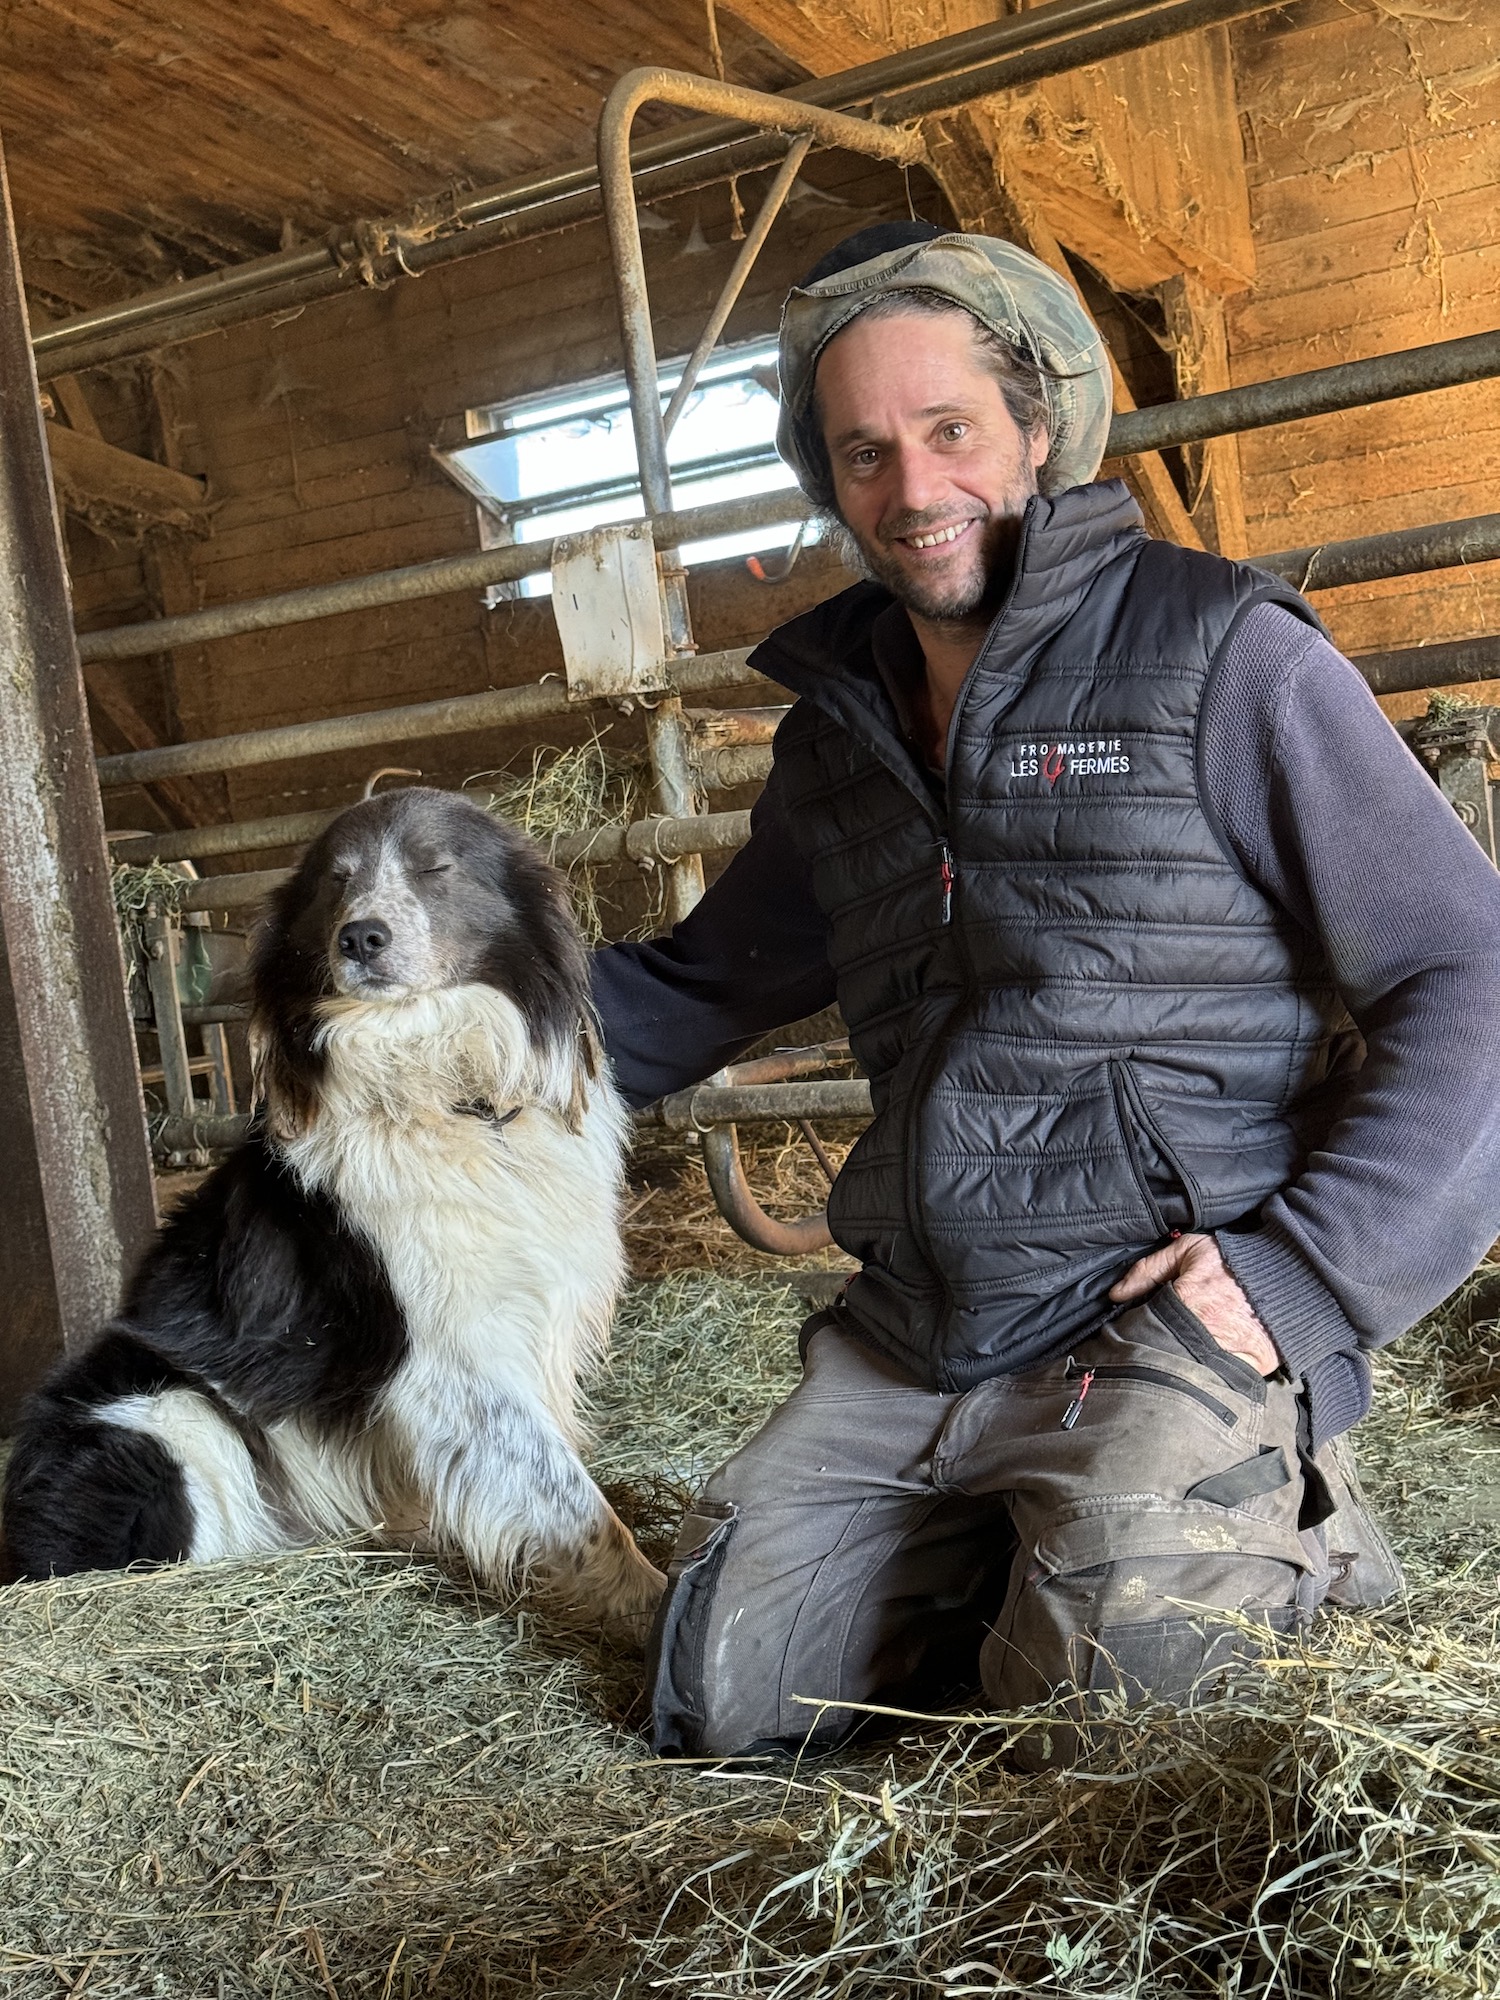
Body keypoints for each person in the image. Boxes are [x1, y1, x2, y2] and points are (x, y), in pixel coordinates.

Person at [591, 221, 1500, 1763]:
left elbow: (1466, 964)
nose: (914, 487)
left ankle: (1284, 1541)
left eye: (950, 430)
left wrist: (1304, 1278)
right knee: (725, 1697)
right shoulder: (843, 741)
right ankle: (1030, 1554)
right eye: (864, 451)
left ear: (1037, 425)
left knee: (1129, 1736)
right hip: (927, 1328)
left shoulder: (1218, 654)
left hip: (1152, 1310)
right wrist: (423, 1055)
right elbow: (694, 985)